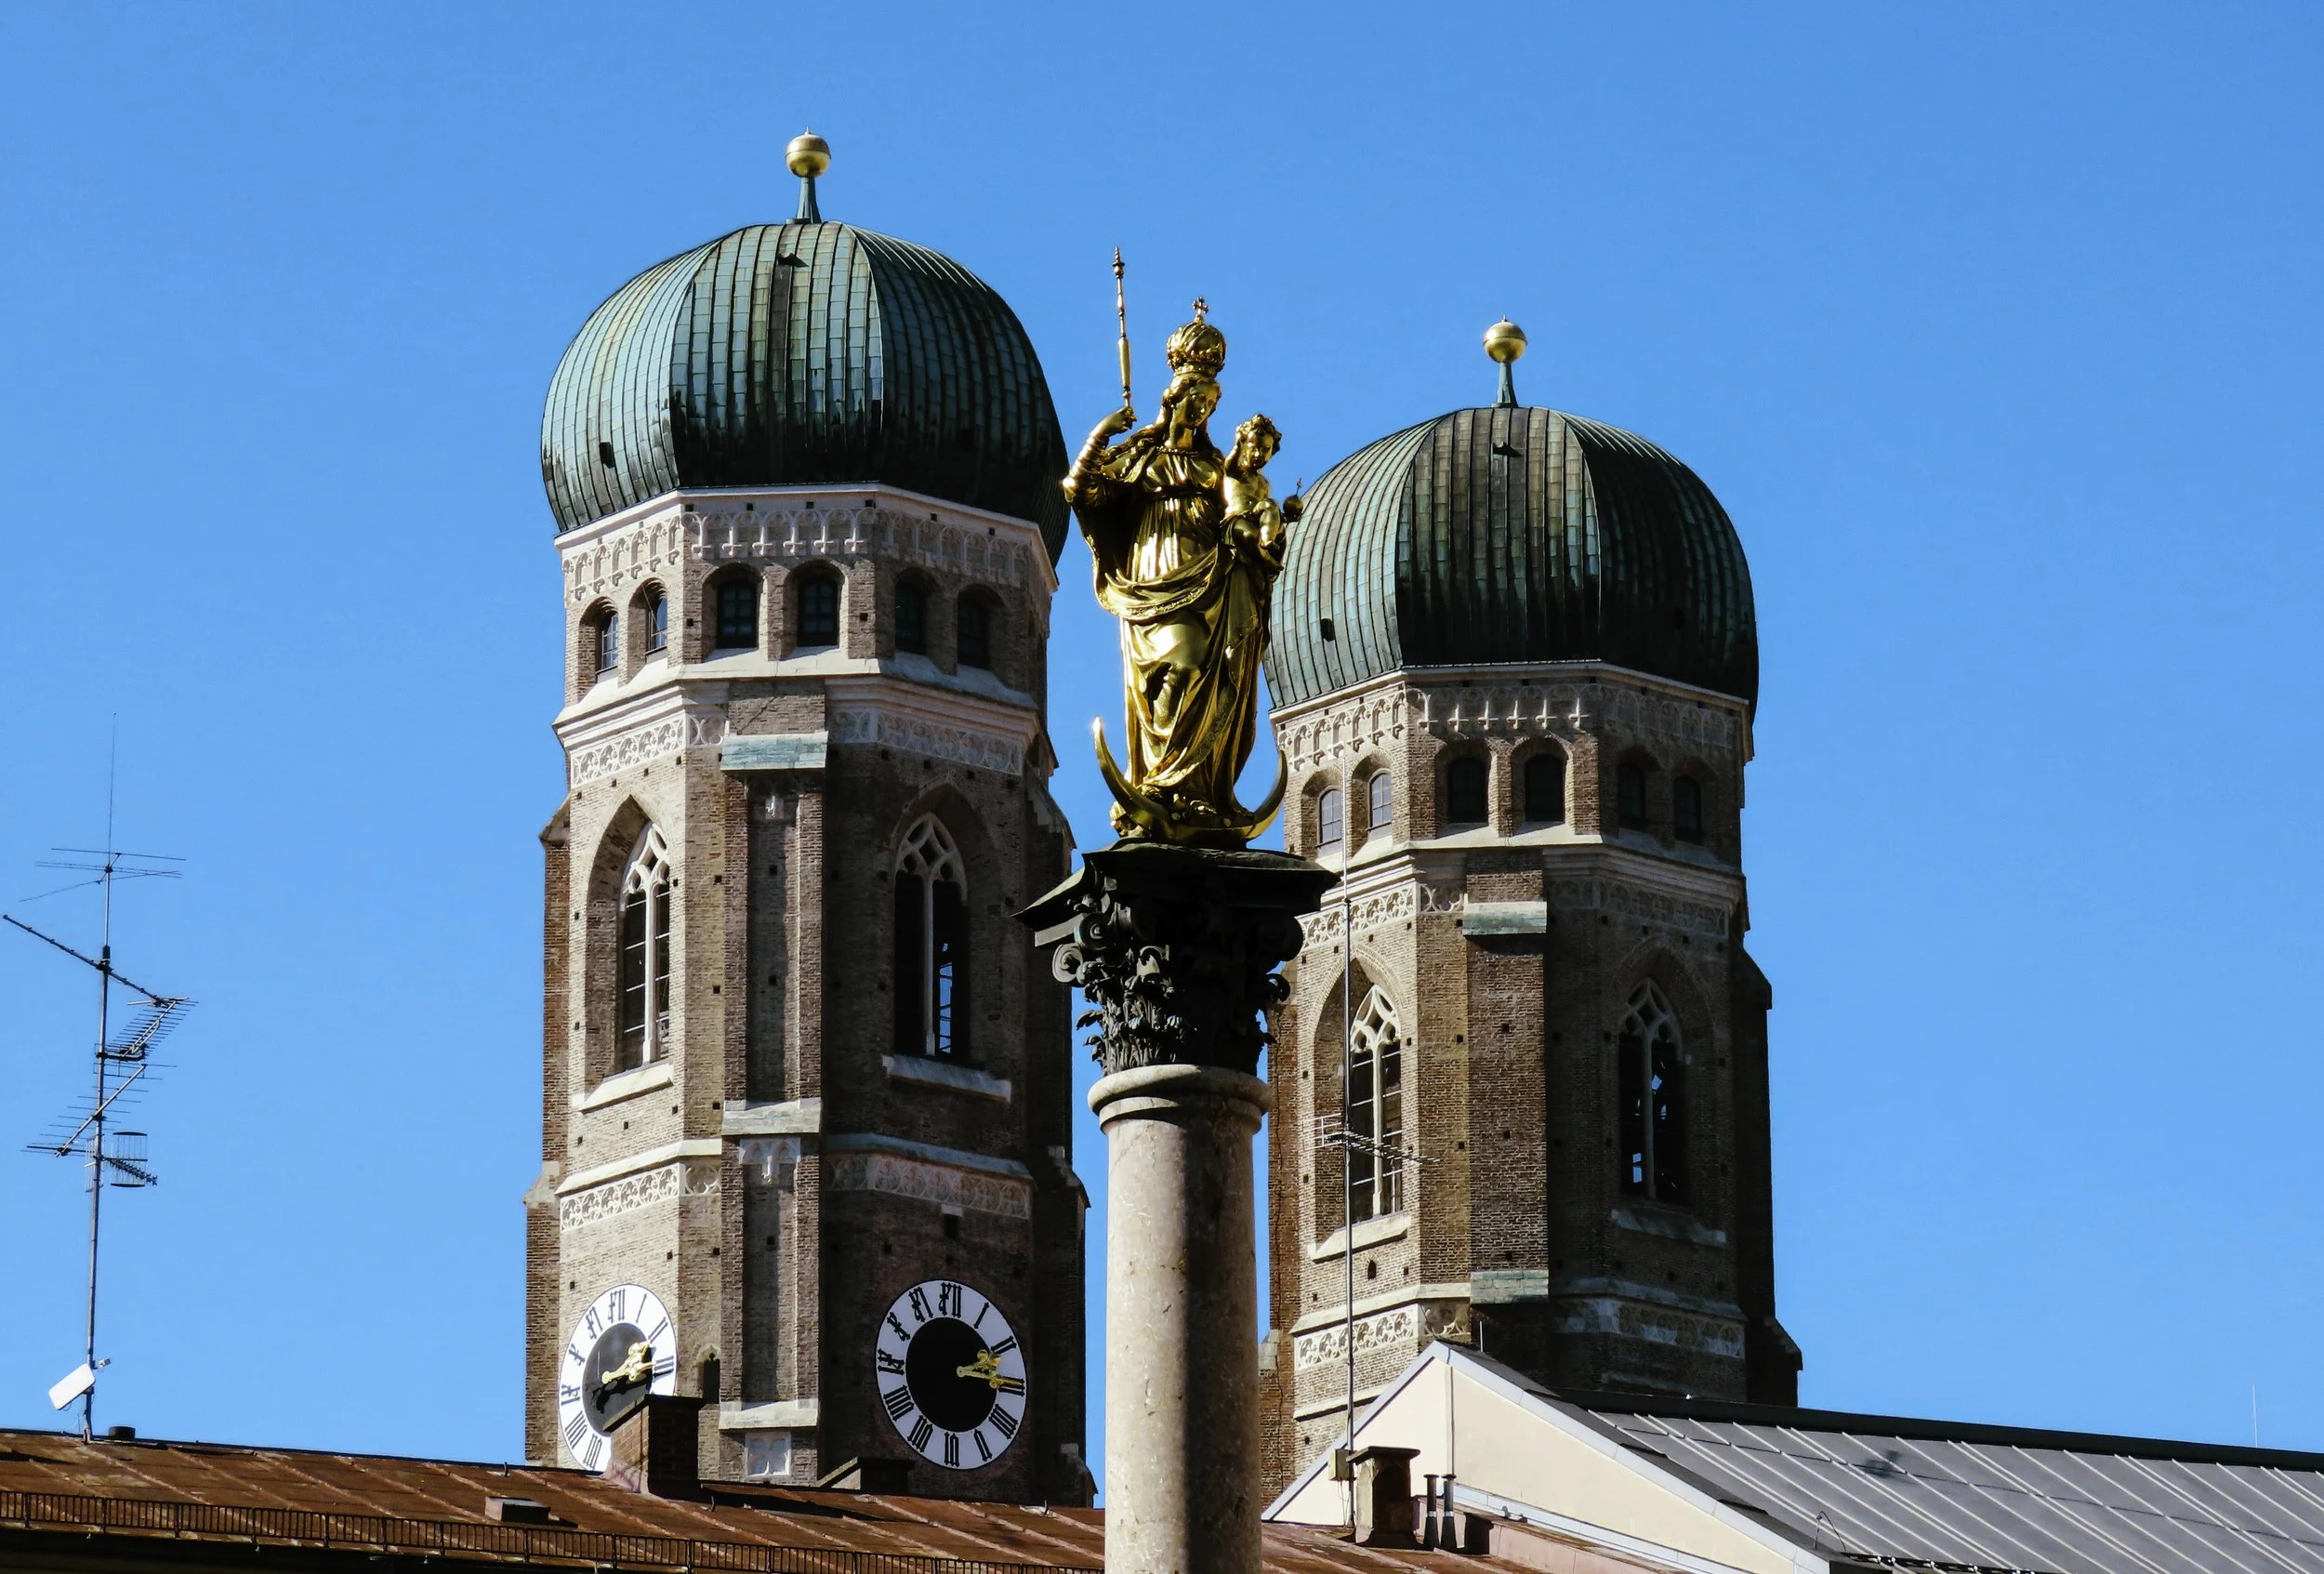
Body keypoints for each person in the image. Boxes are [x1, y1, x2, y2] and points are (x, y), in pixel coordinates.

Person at [1063, 311, 1296, 837]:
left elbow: (1242, 514)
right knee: (1175, 668)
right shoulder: (1142, 455)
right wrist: (1103, 431)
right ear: (1175, 397)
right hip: (1154, 569)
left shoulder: (1220, 467)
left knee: (1218, 675)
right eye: (1196, 397)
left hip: (1211, 577)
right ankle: (1159, 781)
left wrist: (1263, 536)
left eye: (1211, 402)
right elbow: (1082, 491)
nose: (1203, 408)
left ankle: (1200, 789)